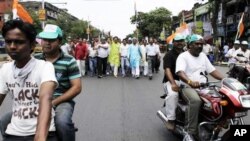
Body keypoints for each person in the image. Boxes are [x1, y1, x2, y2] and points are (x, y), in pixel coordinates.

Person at [0, 20, 58, 141]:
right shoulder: (5, 69)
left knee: (64, 122)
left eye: (19, 42)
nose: (12, 46)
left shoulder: (45, 67)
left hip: (44, 133)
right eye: (8, 41)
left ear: (32, 45)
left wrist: (40, 136)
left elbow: (46, 98)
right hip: (13, 133)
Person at [35, 24, 82, 141]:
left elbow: (76, 88)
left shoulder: (69, 61)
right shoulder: (35, 60)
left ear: (60, 41)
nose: (47, 43)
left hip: (61, 101)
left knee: (62, 122)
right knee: (6, 121)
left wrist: (54, 102)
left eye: (51, 40)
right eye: (45, 39)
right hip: (36, 101)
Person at [175, 34, 224, 140]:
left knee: (219, 100)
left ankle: (214, 126)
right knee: (195, 101)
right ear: (190, 45)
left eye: (201, 44)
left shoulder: (203, 56)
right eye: (197, 44)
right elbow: (180, 72)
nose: (199, 46)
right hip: (187, 87)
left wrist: (225, 79)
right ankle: (189, 132)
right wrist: (190, 81)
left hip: (204, 87)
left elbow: (212, 70)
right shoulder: (183, 56)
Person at [161, 34, 185, 130]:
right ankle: (171, 120)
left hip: (185, 81)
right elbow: (167, 70)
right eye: (177, 41)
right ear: (174, 43)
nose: (180, 43)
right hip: (172, 81)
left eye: (181, 41)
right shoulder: (169, 55)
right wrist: (173, 84)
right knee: (173, 95)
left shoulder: (186, 54)